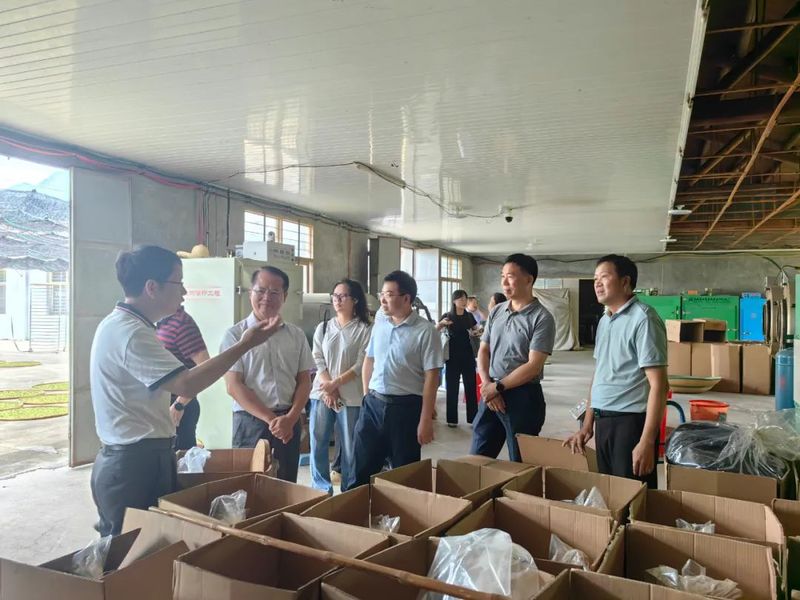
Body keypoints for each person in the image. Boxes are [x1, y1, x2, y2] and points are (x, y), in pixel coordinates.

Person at [90, 246, 279, 536]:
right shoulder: (130, 333)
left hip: (145, 455)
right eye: (178, 282)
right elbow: (187, 383)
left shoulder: (133, 326)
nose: (185, 292)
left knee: (154, 545)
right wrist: (244, 344)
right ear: (152, 288)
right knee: (128, 557)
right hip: (132, 464)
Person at [564, 255, 667, 488]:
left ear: (625, 282)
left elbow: (659, 385)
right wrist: (586, 426)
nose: (597, 283)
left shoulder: (644, 319)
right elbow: (599, 375)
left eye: (604, 277)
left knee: (633, 498)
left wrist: (647, 442)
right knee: (611, 493)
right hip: (604, 422)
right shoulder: (605, 320)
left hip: (629, 424)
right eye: (594, 279)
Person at [344, 270, 443, 489]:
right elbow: (369, 360)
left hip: (405, 409)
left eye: (389, 294)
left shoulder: (425, 332)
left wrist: (425, 420)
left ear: (406, 298)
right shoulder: (380, 324)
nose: (382, 299)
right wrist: (366, 395)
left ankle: (402, 520)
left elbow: (432, 378)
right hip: (373, 405)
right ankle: (352, 517)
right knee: (359, 469)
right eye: (382, 293)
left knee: (404, 476)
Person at [221, 266, 314, 483]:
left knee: (286, 484)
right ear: (250, 292)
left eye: (274, 292)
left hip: (288, 421)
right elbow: (234, 386)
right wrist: (273, 421)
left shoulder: (296, 335)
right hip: (250, 423)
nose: (266, 298)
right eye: (260, 291)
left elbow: (304, 380)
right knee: (249, 486)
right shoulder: (235, 335)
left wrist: (290, 419)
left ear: (285, 296)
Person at [470, 254, 555, 462]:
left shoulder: (542, 318)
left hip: (523, 397)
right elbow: (483, 351)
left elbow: (534, 366)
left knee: (520, 462)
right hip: (491, 393)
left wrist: (499, 387)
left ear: (528, 279)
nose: (504, 282)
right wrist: (488, 384)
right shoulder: (497, 311)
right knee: (477, 460)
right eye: (502, 276)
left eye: (511, 276)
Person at [309, 279, 372, 494]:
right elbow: (317, 357)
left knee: (349, 446)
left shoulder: (365, 329)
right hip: (321, 394)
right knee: (318, 442)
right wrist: (328, 387)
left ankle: (349, 489)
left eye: (342, 296)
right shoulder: (324, 327)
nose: (337, 300)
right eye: (334, 296)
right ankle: (320, 489)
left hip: (351, 397)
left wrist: (335, 385)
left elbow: (360, 364)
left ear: (355, 300)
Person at [156, 306, 210, 450]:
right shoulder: (159, 322)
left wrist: (179, 404)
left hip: (178, 408)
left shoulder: (181, 323)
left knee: (179, 465)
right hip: (161, 406)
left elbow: (206, 368)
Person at [436, 290, 479, 427]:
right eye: (460, 299)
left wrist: (477, 332)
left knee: (470, 386)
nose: (464, 301)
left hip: (467, 355)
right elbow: (435, 330)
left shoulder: (469, 316)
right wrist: (441, 324)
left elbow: (475, 330)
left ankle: (473, 418)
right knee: (452, 387)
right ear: (454, 301)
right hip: (452, 357)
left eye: (465, 298)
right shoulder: (448, 316)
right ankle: (452, 419)